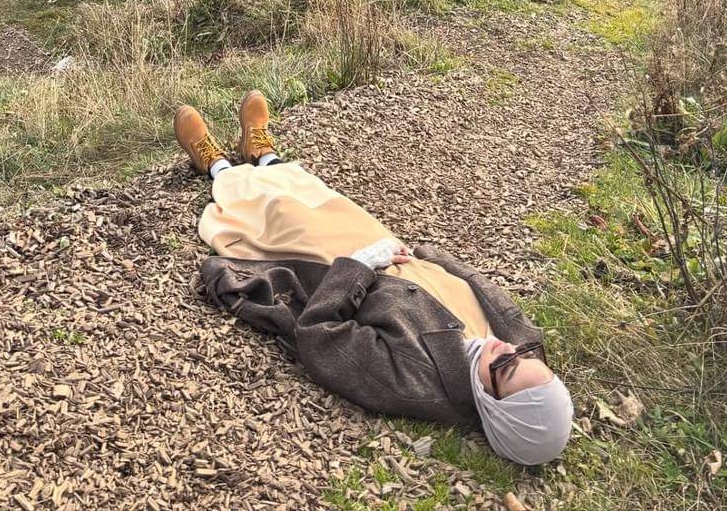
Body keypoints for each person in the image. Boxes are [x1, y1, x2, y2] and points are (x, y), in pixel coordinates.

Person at [175, 93, 574, 466]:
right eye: (526, 356)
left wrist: (362, 265)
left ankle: (216, 166)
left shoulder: (410, 382)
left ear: (493, 406)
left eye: (504, 365)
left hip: (339, 264)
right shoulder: (520, 345)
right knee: (321, 196)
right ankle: (263, 154)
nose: (508, 348)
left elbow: (321, 334)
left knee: (279, 212)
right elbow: (479, 285)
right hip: (386, 248)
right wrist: (431, 256)